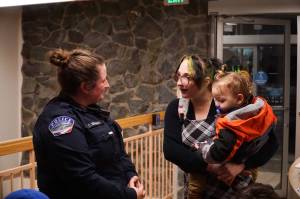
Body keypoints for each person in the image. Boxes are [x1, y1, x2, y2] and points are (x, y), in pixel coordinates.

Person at [33, 48, 145, 199]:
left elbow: (118, 153)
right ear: (85, 87)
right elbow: (83, 180)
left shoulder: (92, 111)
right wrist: (129, 195)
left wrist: (131, 174)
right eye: (103, 80)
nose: (108, 85)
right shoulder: (60, 122)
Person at [163, 55, 279, 199]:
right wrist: (211, 167)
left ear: (206, 81)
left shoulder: (230, 102)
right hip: (197, 192)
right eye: (178, 76)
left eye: (187, 77)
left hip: (237, 192)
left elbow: (271, 143)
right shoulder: (177, 107)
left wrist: (241, 166)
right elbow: (171, 150)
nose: (180, 83)